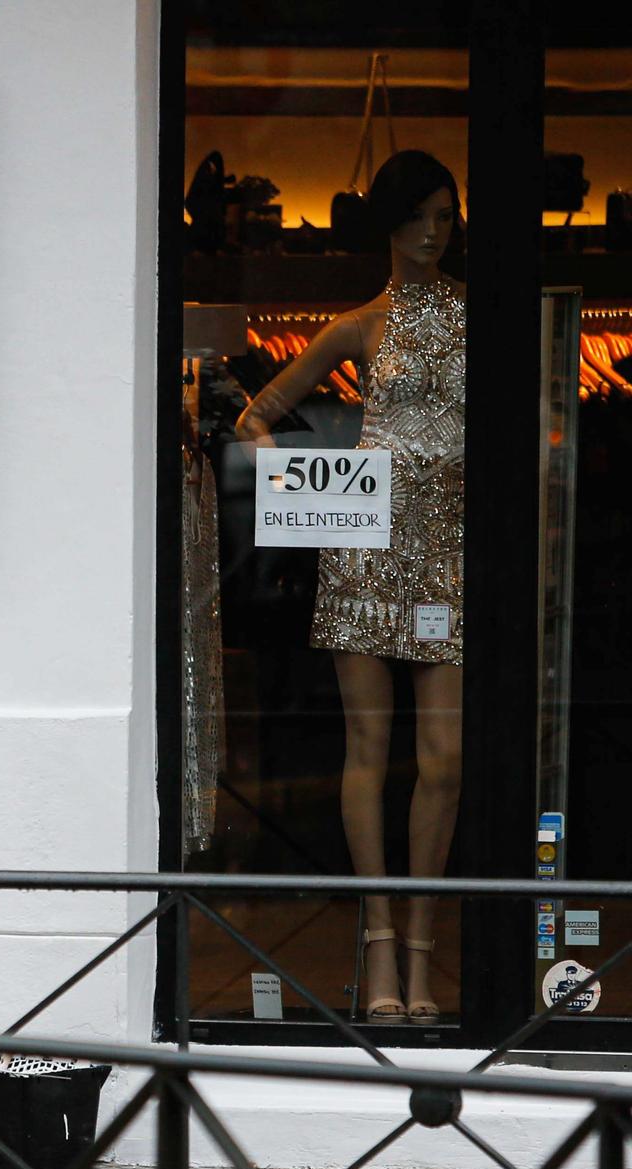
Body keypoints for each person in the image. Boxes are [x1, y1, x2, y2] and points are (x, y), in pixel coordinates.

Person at [235, 149, 465, 1023]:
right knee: (369, 750)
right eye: (418, 217)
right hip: (366, 544)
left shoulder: (477, 319)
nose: (432, 232)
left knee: (443, 761)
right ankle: (379, 949)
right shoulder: (361, 324)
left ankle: (422, 948)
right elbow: (255, 417)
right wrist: (306, 492)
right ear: (390, 225)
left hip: (447, 551)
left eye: (445, 217)